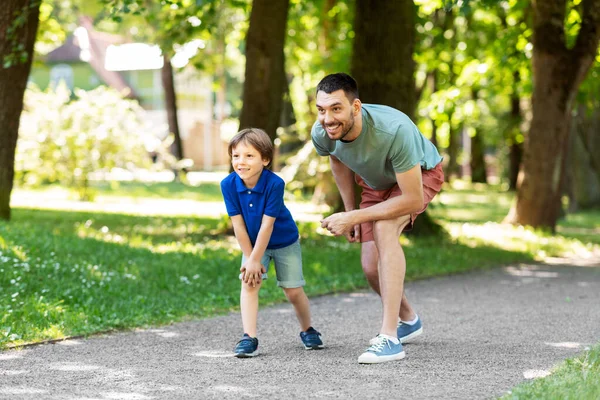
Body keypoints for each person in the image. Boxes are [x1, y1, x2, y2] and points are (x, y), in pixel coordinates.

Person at [312, 73, 444, 364]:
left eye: (336, 108)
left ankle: (389, 338)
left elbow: (411, 198)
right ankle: (409, 320)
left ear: (355, 107)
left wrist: (354, 216)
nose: (328, 118)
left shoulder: (393, 129)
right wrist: (351, 213)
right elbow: (337, 158)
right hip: (376, 183)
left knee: (385, 228)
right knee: (371, 267)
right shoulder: (323, 132)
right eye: (321, 110)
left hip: (418, 177)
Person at [220, 128, 324, 358]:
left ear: (265, 160)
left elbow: (267, 226)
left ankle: (308, 329)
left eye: (249, 156)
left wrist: (255, 258)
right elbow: (238, 226)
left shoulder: (274, 184)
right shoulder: (228, 184)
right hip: (252, 244)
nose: (241, 162)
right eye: (236, 156)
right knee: (249, 283)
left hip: (284, 241)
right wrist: (251, 259)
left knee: (293, 291)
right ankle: (249, 337)